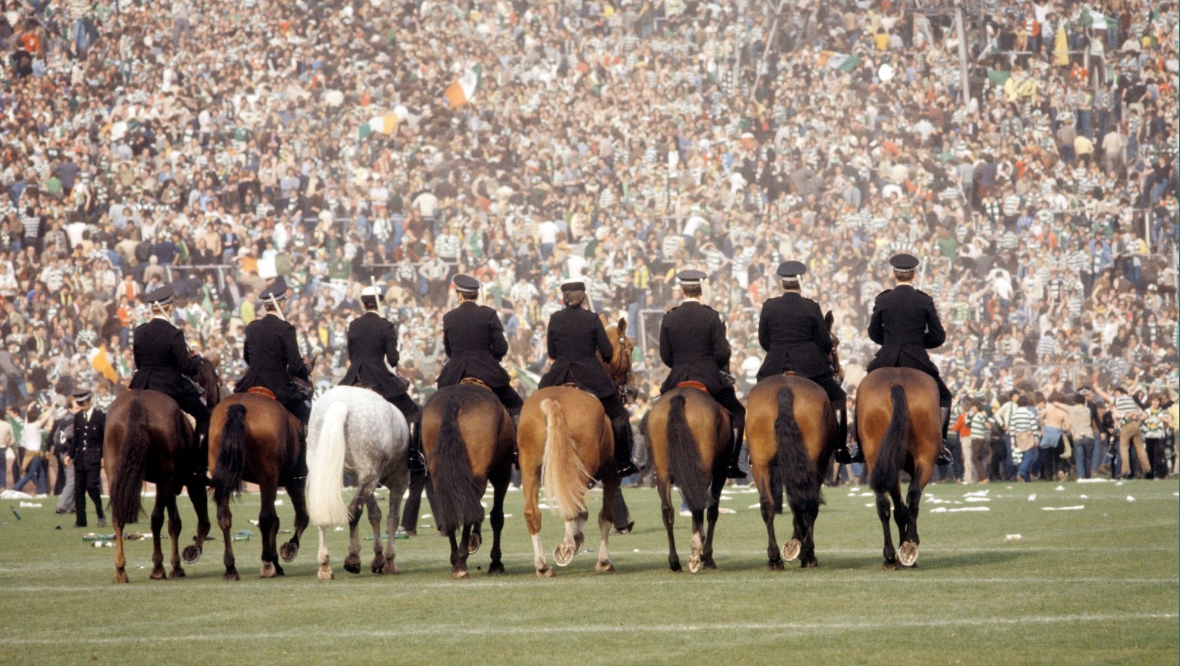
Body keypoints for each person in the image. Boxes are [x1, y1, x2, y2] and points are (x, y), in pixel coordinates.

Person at [537, 281, 637, 476]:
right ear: (582, 297)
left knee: (534, 404)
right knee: (619, 415)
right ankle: (624, 462)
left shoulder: (555, 319)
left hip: (559, 373)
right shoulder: (592, 319)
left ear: (564, 298)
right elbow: (607, 352)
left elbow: (551, 351)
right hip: (589, 374)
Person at [755, 261, 849, 462]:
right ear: (801, 281)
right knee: (839, 396)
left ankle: (755, 452)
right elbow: (824, 342)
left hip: (774, 366)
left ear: (782, 284)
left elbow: (764, 341)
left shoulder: (769, 306)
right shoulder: (811, 306)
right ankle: (841, 449)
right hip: (810, 368)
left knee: (757, 398)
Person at [865, 254, 953, 465]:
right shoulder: (924, 300)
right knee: (945, 396)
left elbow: (873, 332)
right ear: (914, 274)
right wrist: (917, 340)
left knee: (865, 391)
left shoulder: (883, 299)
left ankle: (860, 444)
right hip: (917, 359)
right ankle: (940, 446)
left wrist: (890, 340)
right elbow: (938, 336)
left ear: (894, 274)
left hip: (887, 357)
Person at [658, 270, 745, 479]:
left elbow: (665, 355)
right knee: (738, 413)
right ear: (700, 290)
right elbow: (723, 352)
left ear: (681, 290)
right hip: (708, 377)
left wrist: (680, 365)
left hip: (677, 377)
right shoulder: (711, 315)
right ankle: (732, 463)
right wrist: (709, 364)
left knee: (656, 415)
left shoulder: (670, 317)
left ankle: (660, 466)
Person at [339, 285, 423, 471]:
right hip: (378, 376)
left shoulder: (353, 325)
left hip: (355, 375)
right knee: (413, 412)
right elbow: (393, 360)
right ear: (380, 302)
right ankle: (413, 456)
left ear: (363, 303)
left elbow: (352, 356)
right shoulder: (386, 325)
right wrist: (396, 350)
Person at [233, 278, 311, 477]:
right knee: (305, 414)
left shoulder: (252, 327)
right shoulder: (285, 328)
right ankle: (301, 468)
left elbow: (247, 358)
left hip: (250, 382)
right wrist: (305, 369)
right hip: (278, 385)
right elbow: (294, 365)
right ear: (281, 303)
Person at [127, 285, 210, 458]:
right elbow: (186, 367)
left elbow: (138, 362)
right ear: (170, 307)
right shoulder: (174, 333)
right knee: (205, 417)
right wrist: (196, 360)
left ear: (152, 308)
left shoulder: (140, 331)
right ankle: (197, 464)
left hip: (142, 384)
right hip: (168, 385)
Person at [436, 275, 523, 421]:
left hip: (455, 372)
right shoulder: (488, 314)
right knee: (516, 404)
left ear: (460, 295)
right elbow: (501, 347)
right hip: (486, 370)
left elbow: (449, 351)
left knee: (435, 405)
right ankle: (518, 443)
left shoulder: (449, 317)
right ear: (476, 295)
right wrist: (491, 358)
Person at [66, 388, 106, 528]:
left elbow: (104, 439)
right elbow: (76, 438)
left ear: (90, 401)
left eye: (84, 404)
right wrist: (69, 455)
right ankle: (81, 521)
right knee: (78, 490)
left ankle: (100, 513)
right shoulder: (78, 417)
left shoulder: (100, 416)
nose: (82, 407)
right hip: (80, 458)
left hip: (94, 457)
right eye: (79, 404)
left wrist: (104, 456)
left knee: (92, 486)